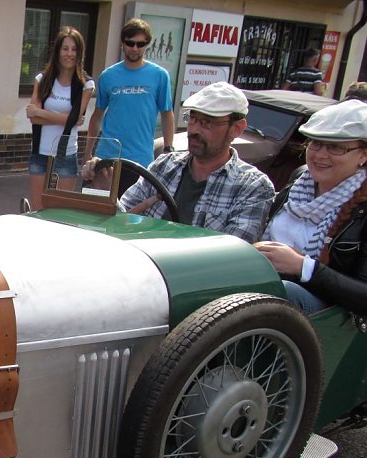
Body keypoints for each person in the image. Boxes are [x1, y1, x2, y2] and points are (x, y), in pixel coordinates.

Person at [114, 82, 274, 243]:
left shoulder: (253, 186)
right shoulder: (164, 165)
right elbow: (119, 220)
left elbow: (231, 255)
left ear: (237, 128)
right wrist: (104, 190)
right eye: (192, 118)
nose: (194, 130)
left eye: (207, 122)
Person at [255, 100, 367, 315]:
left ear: (363, 155)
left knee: (284, 292)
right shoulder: (299, 180)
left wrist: (303, 267)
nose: (320, 155)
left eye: (336, 147)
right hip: (262, 285)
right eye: (316, 143)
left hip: (328, 314)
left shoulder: (362, 206)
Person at [84, 18, 174, 172]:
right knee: (100, 196)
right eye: (130, 43)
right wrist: (88, 152)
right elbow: (98, 115)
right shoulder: (108, 75)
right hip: (107, 156)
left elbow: (167, 114)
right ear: (122, 43)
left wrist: (168, 148)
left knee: (137, 198)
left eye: (140, 44)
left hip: (141, 159)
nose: (134, 48)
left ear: (147, 45)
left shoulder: (160, 76)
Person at [25, 27, 95, 210]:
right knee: (38, 210)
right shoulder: (43, 79)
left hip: (66, 153)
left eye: (74, 49)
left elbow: (73, 119)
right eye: (65, 48)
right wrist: (67, 119)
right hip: (40, 151)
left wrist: (41, 113)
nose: (69, 54)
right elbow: (33, 118)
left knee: (61, 210)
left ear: (80, 53)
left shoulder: (86, 84)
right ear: (57, 51)